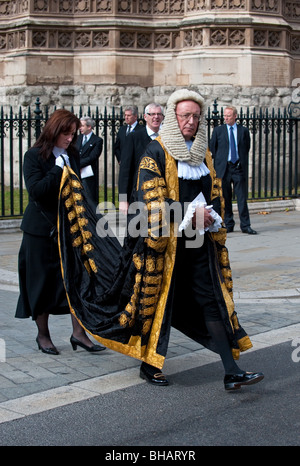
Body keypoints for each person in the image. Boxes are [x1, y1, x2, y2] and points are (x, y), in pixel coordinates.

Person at [58, 90, 263, 391]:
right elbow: (150, 201)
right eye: (185, 116)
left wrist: (210, 215)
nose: (191, 121)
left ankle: (231, 371)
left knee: (210, 300)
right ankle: (149, 364)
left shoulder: (204, 153)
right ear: (173, 117)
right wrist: (189, 216)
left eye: (195, 116)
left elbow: (216, 193)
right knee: (157, 301)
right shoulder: (156, 152)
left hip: (197, 242)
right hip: (163, 244)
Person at [15, 109, 105, 355]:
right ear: (54, 131)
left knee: (75, 279)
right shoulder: (33, 156)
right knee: (41, 282)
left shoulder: (72, 154)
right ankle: (43, 335)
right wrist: (57, 168)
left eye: (73, 134)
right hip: (40, 231)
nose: (69, 139)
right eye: (66, 134)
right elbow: (36, 191)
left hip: (69, 227)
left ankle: (79, 334)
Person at [209, 106, 257, 234]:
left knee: (241, 197)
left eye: (228, 116)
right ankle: (229, 223)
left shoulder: (243, 131)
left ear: (235, 116)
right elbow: (212, 148)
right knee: (225, 197)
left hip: (238, 167)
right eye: (224, 115)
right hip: (224, 168)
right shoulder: (218, 131)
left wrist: (239, 161)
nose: (225, 118)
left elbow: (246, 147)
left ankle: (245, 225)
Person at [118, 102, 164, 214]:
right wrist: (123, 200)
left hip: (163, 197)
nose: (156, 117)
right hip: (138, 196)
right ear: (145, 117)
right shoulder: (133, 138)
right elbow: (125, 170)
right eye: (152, 114)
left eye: (159, 114)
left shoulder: (167, 138)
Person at [76, 116, 103, 205]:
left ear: (89, 127)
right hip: (76, 172)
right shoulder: (77, 138)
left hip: (88, 173)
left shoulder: (97, 140)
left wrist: (79, 164)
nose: (80, 128)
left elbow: (93, 157)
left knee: (89, 197)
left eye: (82, 126)